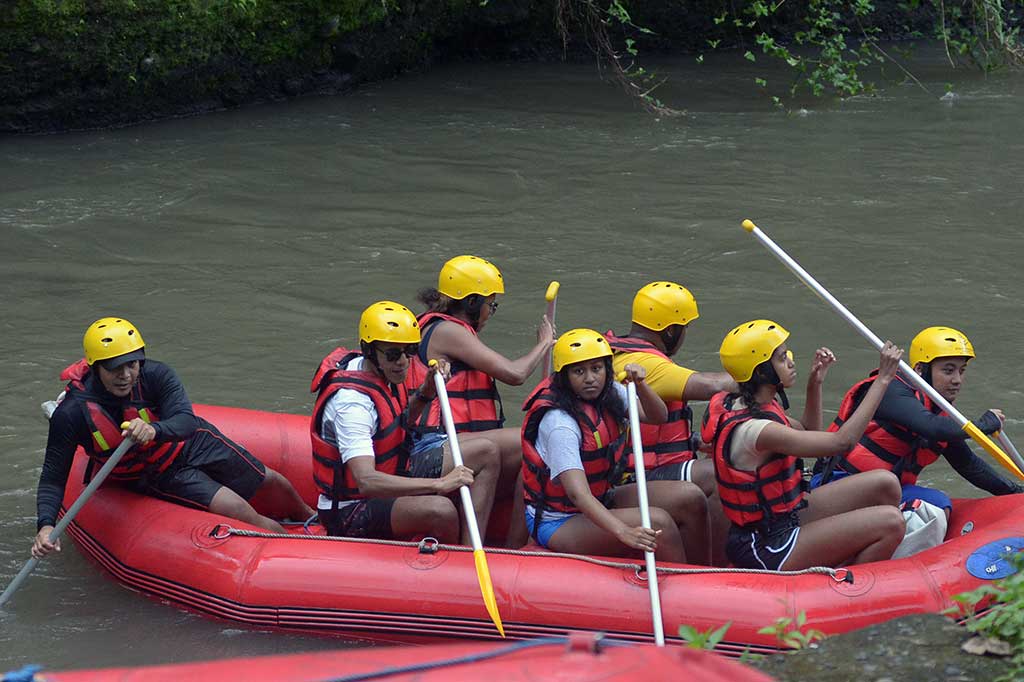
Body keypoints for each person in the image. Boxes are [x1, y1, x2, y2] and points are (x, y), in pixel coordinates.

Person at [33, 317, 313, 559]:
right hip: (155, 472)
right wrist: (46, 525)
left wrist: (155, 430)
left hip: (190, 443)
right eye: (114, 368)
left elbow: (185, 421)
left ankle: (309, 517)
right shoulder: (71, 413)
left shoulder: (156, 375)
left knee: (270, 480)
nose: (125, 375)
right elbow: (53, 477)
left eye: (131, 365)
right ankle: (302, 552)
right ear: (95, 368)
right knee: (237, 508)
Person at [702, 320, 906, 570]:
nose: (790, 360)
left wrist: (815, 383)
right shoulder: (757, 430)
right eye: (780, 357)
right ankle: (847, 588)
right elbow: (841, 442)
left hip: (783, 518)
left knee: (884, 483)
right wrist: (883, 380)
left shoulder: (753, 403)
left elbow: (809, 432)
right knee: (891, 522)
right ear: (761, 371)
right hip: (767, 545)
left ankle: (851, 559)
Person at [310, 301, 500, 544]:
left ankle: (473, 549)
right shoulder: (352, 405)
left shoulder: (383, 373)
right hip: (351, 509)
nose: (403, 361)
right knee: (441, 510)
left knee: (486, 451)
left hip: (393, 467)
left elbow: (397, 423)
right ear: (369, 351)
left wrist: (426, 391)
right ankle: (452, 568)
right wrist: (439, 484)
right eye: (392, 354)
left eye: (409, 351)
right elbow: (366, 481)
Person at [521, 328, 711, 564]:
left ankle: (704, 574)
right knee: (658, 522)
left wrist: (641, 385)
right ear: (564, 377)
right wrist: (624, 531)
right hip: (560, 520)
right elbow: (577, 494)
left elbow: (658, 416)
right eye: (579, 371)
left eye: (597, 369)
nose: (590, 378)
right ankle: (683, 590)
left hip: (601, 496)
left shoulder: (609, 392)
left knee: (690, 498)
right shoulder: (560, 424)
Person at [411, 255, 554, 547]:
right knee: (533, 435)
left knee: (534, 452)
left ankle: (518, 546)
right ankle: (476, 549)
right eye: (491, 304)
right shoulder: (447, 331)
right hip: (431, 449)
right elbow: (515, 374)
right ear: (473, 303)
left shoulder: (449, 329)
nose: (491, 312)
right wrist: (544, 343)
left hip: (458, 445)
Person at [811, 326, 1023, 513]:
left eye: (961, 371)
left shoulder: (942, 416)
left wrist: (1015, 492)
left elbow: (969, 465)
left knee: (939, 504)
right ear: (920, 370)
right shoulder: (890, 390)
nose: (957, 380)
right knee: (932, 507)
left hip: (886, 490)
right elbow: (931, 427)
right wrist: (984, 424)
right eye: (948, 370)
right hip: (837, 484)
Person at [605, 282, 737, 564]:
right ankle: (713, 566)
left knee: (723, 461)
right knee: (719, 474)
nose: (685, 335)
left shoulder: (621, 352)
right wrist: (759, 372)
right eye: (684, 327)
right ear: (670, 330)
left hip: (653, 464)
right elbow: (711, 385)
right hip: (632, 476)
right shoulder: (646, 365)